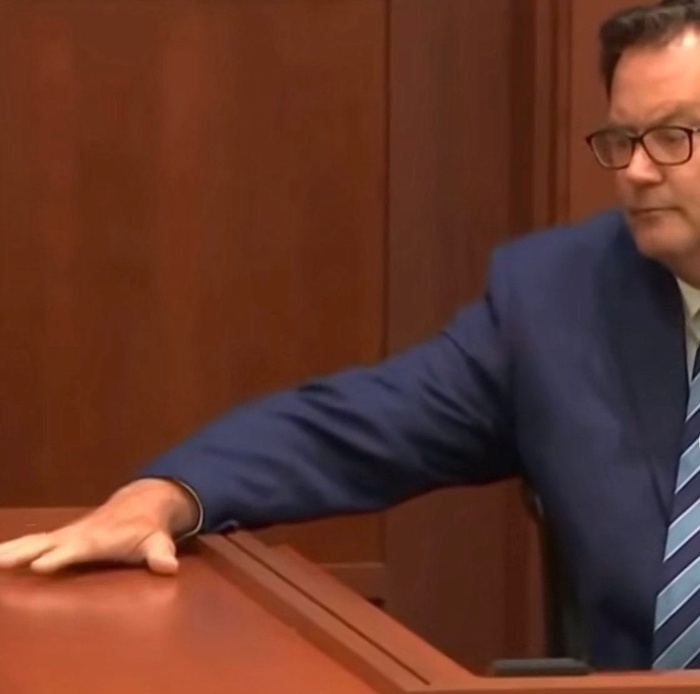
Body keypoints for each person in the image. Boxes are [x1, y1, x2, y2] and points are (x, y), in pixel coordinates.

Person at [3, 0, 700, 672]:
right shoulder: (564, 298)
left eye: (673, 136)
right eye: (623, 140)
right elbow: (354, 427)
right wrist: (166, 495)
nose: (638, 171)